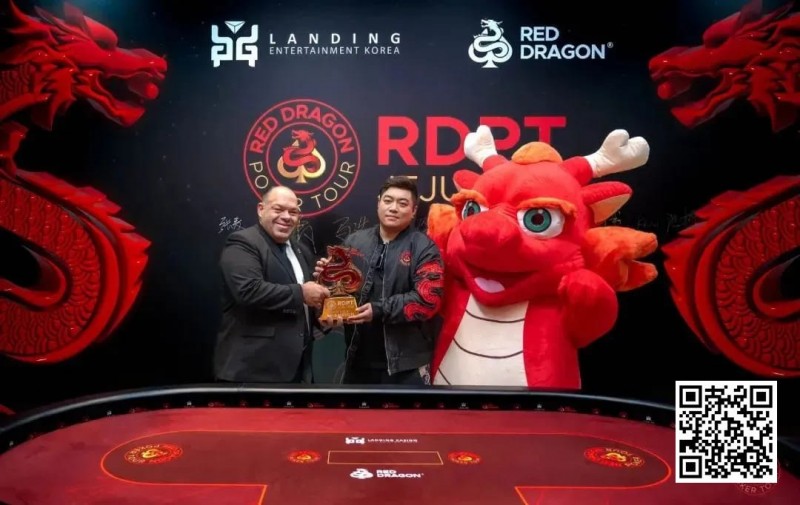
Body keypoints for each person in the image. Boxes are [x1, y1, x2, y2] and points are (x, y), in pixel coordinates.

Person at [317, 176, 444, 385]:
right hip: (357, 359)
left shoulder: (424, 248)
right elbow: (342, 290)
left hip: (406, 366)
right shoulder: (355, 241)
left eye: (402, 203)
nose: (393, 208)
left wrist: (378, 310)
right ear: (378, 204)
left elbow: (428, 300)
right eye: (388, 201)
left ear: (413, 211)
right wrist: (327, 280)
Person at [214, 186, 330, 383]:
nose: (286, 217)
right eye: (278, 209)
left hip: (297, 371)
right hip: (252, 372)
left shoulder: (300, 250)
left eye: (293, 212)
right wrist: (302, 293)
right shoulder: (243, 242)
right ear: (261, 209)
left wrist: (322, 318)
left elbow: (302, 306)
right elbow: (248, 291)